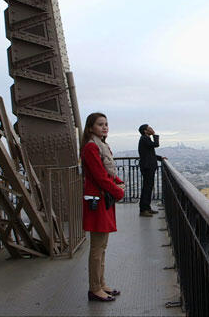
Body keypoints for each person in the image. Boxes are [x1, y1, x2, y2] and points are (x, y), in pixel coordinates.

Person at [81, 112, 125, 302]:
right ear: (90, 128)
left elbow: (105, 174)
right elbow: (99, 176)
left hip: (101, 200)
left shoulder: (101, 146)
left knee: (102, 246)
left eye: (106, 124)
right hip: (97, 201)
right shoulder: (91, 148)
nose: (105, 127)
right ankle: (94, 288)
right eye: (100, 124)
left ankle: (101, 283)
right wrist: (118, 191)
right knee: (98, 248)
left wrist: (117, 182)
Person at [138, 124, 166, 217]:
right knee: (147, 188)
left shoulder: (144, 139)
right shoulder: (145, 138)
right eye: (149, 128)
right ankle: (143, 209)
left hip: (148, 166)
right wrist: (155, 135)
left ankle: (147, 208)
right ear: (145, 131)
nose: (152, 129)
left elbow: (149, 153)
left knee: (148, 187)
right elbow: (156, 145)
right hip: (148, 167)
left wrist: (160, 158)